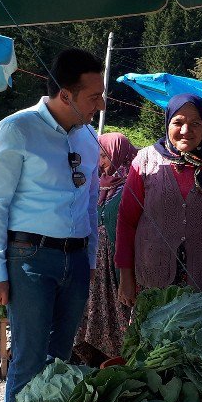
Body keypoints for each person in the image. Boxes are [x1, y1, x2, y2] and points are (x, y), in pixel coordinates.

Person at [0, 48, 104, 402]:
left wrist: (91, 259)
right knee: (29, 358)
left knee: (60, 357)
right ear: (66, 95)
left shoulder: (87, 137)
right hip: (30, 257)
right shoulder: (16, 129)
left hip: (76, 258)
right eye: (94, 96)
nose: (101, 104)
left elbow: (90, 201)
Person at [115, 93, 202, 314]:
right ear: (167, 123)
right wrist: (125, 276)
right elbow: (126, 221)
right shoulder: (145, 161)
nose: (185, 130)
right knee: (158, 344)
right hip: (154, 277)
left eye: (195, 123)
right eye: (178, 122)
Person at [73, 132, 138, 366]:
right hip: (99, 266)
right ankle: (98, 361)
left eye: (104, 156)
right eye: (98, 156)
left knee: (120, 315)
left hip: (118, 266)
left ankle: (121, 362)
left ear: (118, 154)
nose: (100, 163)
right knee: (96, 314)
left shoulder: (134, 185)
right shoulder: (102, 186)